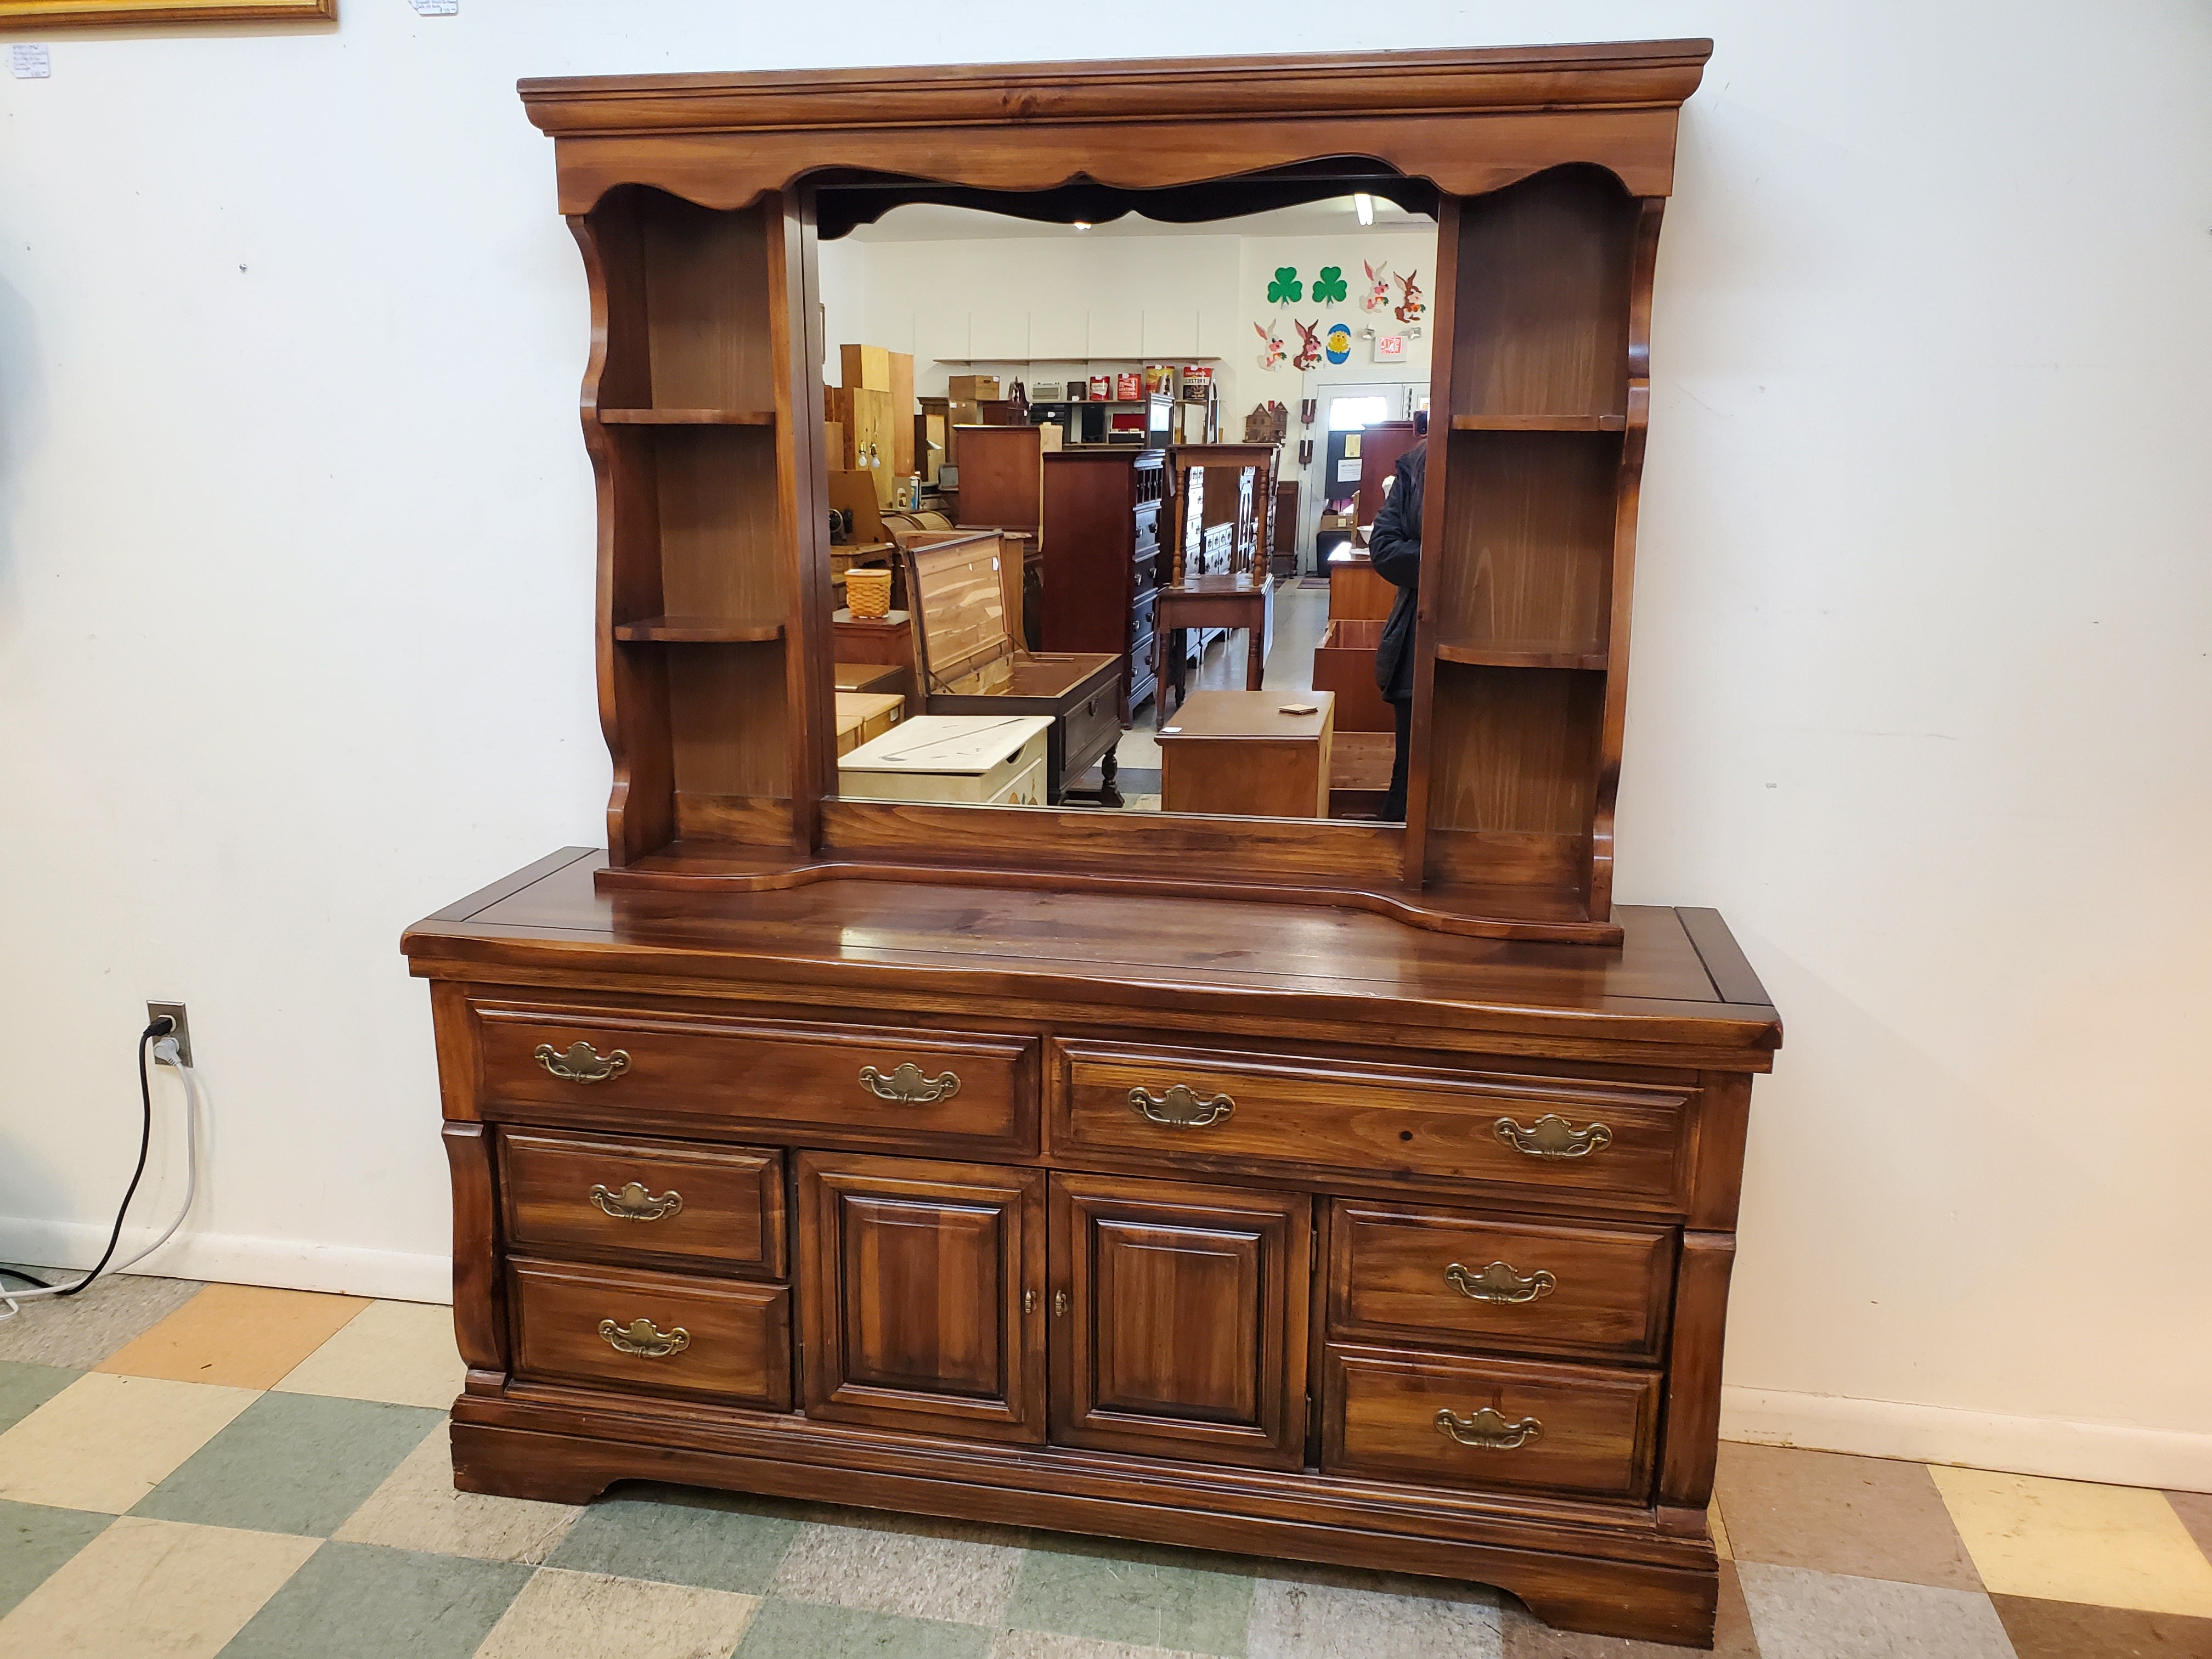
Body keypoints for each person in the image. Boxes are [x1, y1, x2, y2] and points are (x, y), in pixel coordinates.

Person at [1367, 438, 1425, 822]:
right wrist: (1451, 556)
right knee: (1411, 769)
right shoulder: (1420, 461)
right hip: (1418, 636)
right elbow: (1384, 548)